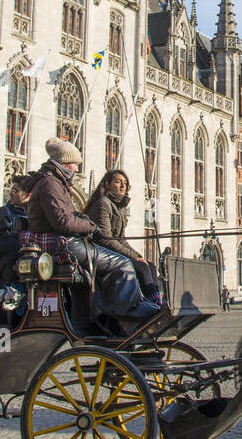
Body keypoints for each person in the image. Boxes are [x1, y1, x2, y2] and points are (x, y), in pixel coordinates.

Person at [27, 138, 158, 322]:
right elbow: (63, 222)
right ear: (63, 162)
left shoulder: (57, 183)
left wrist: (83, 221)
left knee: (133, 263)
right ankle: (128, 309)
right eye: (74, 163)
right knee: (122, 263)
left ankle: (106, 317)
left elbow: (68, 218)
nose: (76, 169)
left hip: (66, 241)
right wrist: (90, 226)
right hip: (63, 244)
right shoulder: (51, 183)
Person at [86, 169, 163, 307]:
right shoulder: (103, 203)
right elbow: (105, 239)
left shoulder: (118, 207)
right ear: (107, 184)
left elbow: (121, 239)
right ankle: (154, 305)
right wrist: (133, 256)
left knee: (149, 265)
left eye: (125, 183)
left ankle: (156, 302)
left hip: (111, 248)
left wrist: (137, 255)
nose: (123, 186)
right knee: (141, 268)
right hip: (100, 250)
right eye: (118, 182)